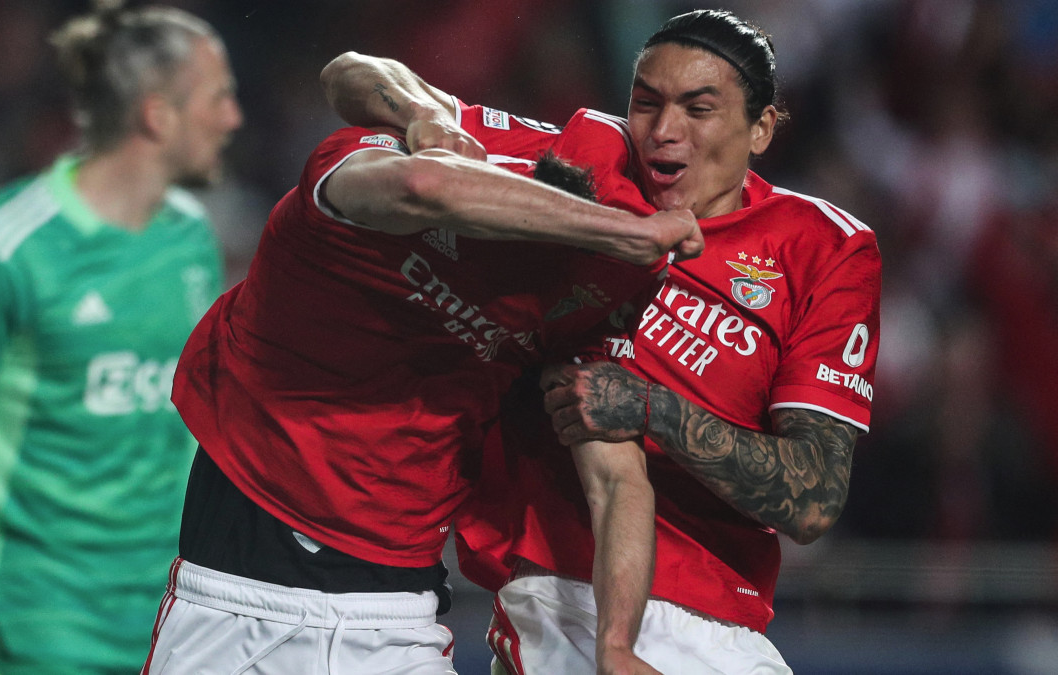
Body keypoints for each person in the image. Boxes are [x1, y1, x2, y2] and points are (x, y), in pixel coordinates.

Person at [321, 8, 882, 674]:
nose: (664, 131)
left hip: (733, 625)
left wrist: (650, 409)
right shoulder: (586, 158)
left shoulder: (826, 246)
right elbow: (351, 74)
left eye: (698, 109)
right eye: (647, 103)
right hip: (567, 595)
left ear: (761, 127)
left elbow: (813, 500)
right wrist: (429, 120)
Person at [141, 57, 703, 672]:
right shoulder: (362, 166)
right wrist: (622, 232)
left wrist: (617, 644)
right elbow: (375, 114)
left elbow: (615, 475)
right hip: (236, 585)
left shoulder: (586, 294)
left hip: (397, 608)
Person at [0, 3, 241, 674]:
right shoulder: (2, 246)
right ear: (157, 116)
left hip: (169, 621)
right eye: (218, 97)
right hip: (33, 625)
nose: (233, 119)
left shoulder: (192, 237)